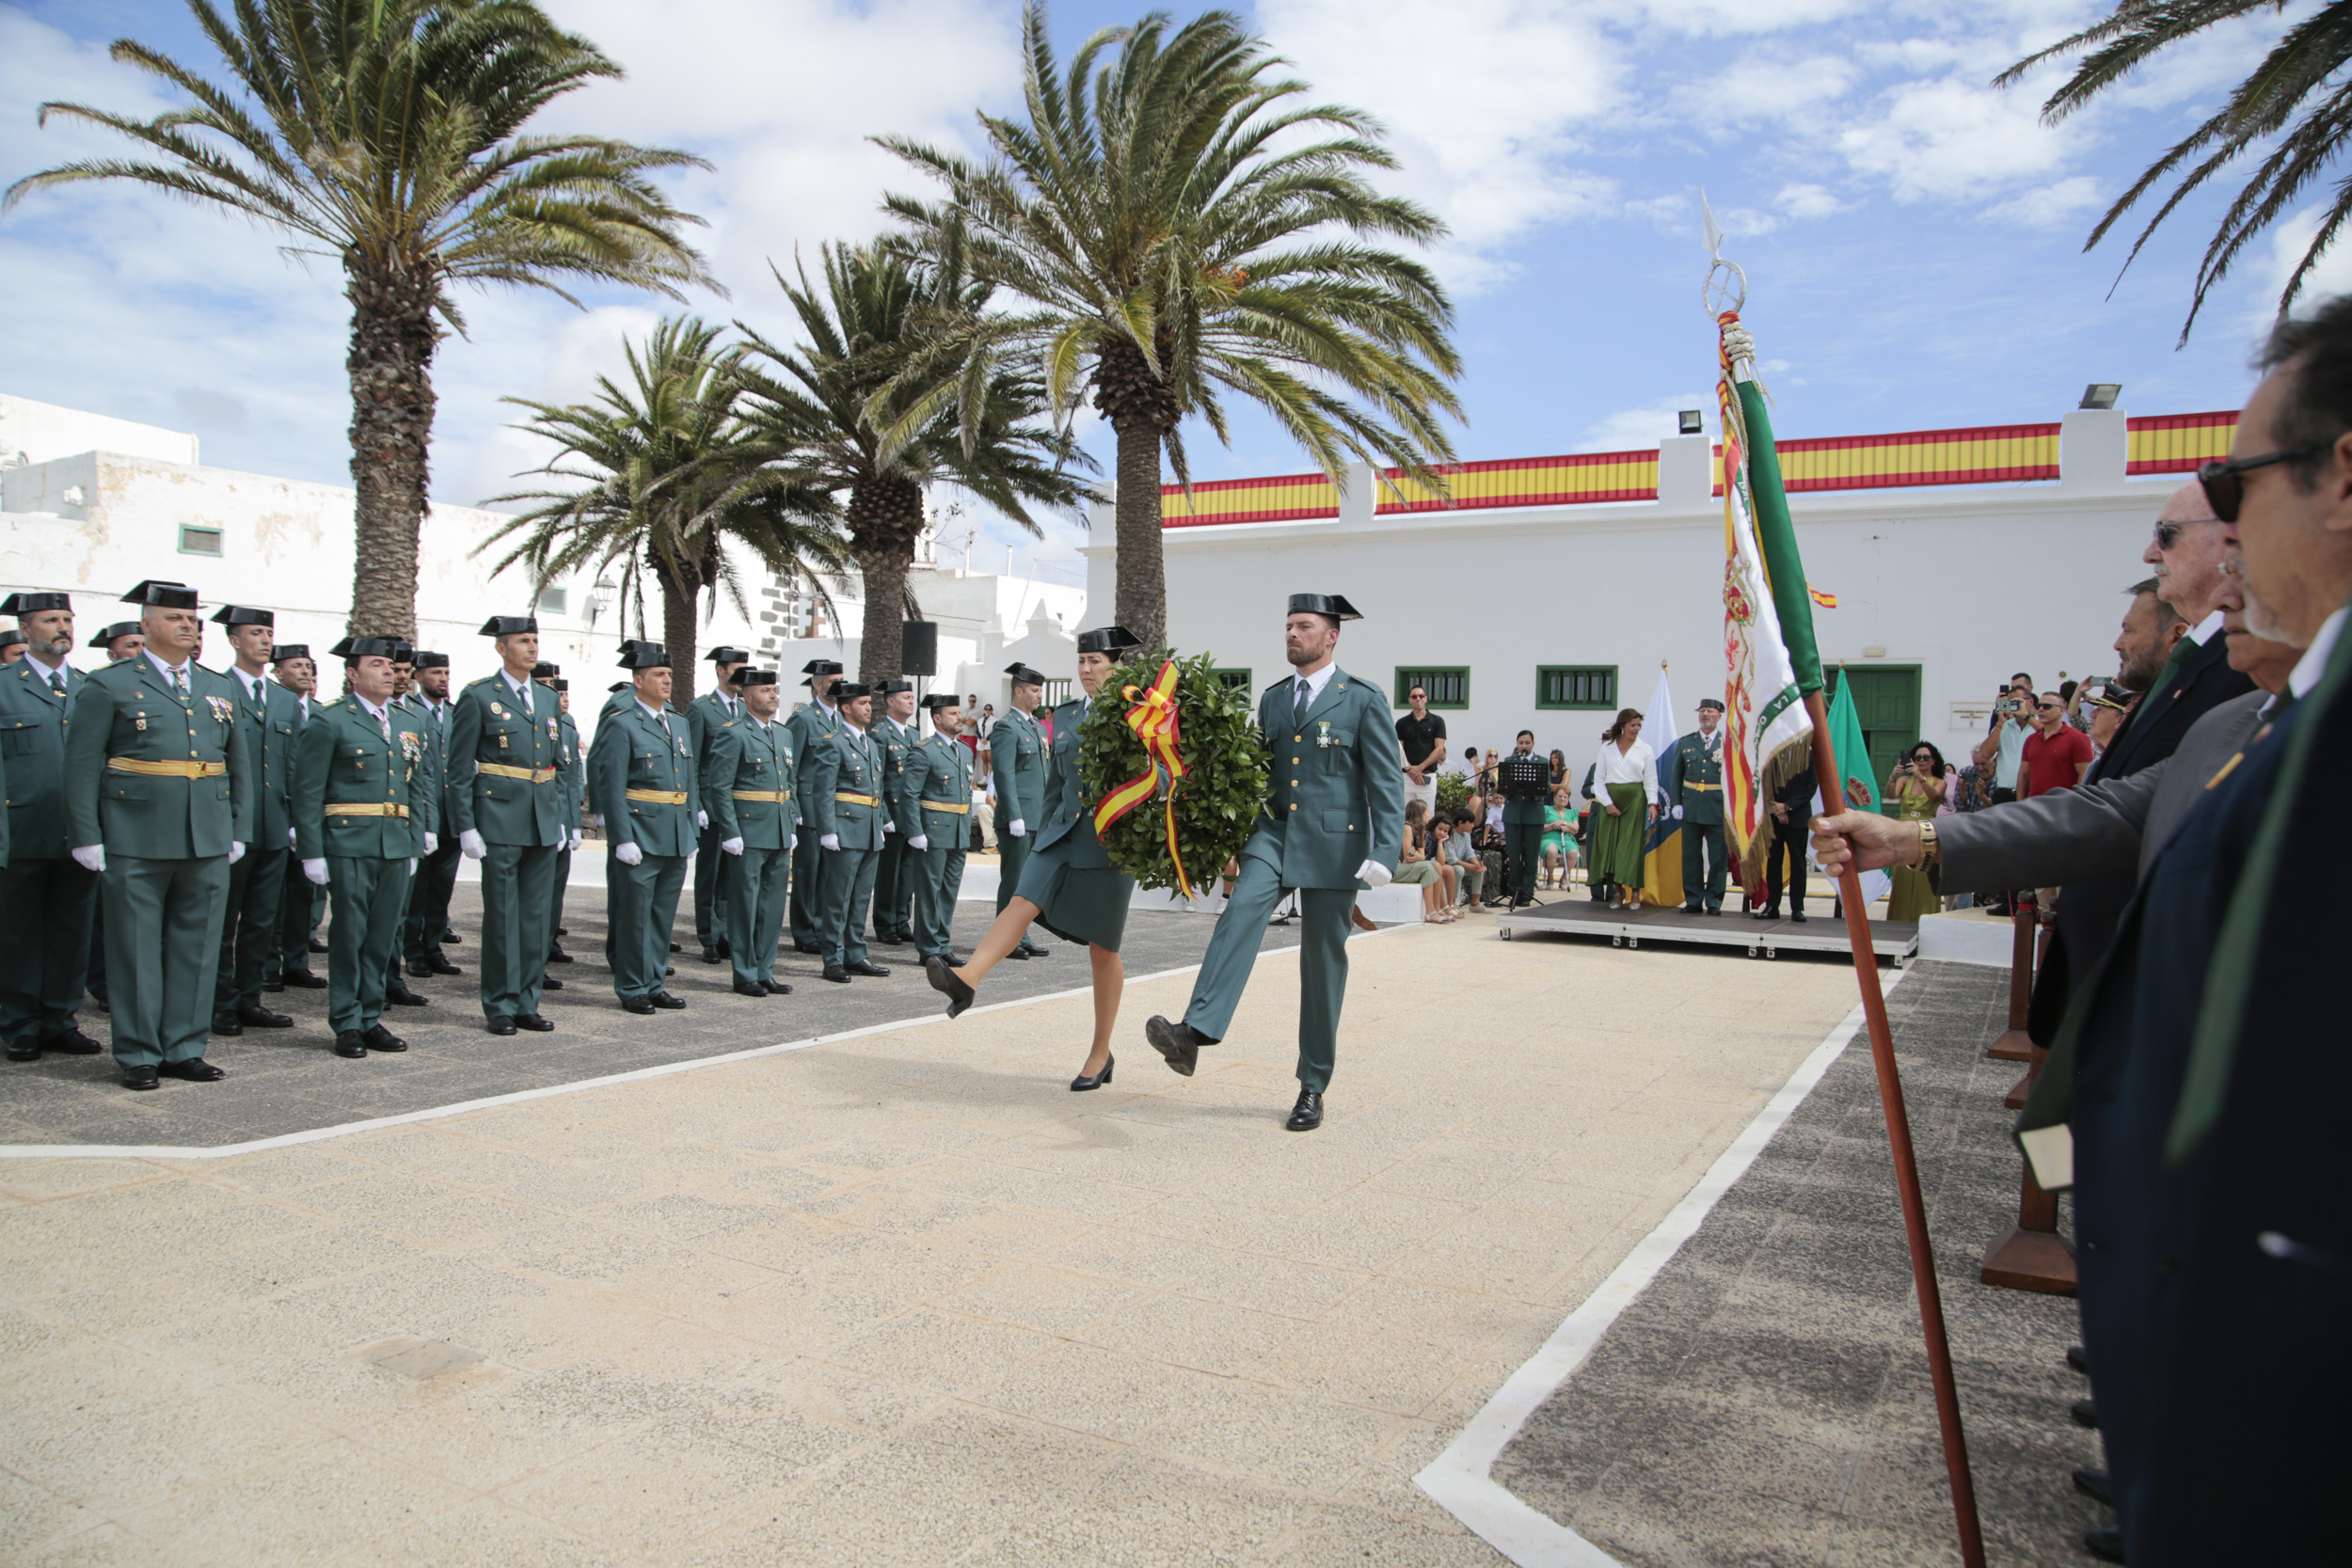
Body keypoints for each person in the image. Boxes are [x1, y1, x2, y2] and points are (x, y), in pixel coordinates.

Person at [1140, 596, 1404, 1132]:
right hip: (1275, 833)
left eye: (1304, 626)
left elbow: (1386, 780)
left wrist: (1384, 851)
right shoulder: (1274, 699)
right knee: (1239, 915)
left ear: (1331, 636)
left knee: (1322, 965)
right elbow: (1257, 772)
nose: (1292, 634)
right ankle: (1195, 1032)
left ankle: (1312, 1085)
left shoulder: (1363, 699)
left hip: (1335, 847)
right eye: (1288, 625)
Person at [928, 627, 1145, 1085]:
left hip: (1111, 841)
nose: (1086, 670)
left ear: (1117, 665)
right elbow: (1056, 782)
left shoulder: (1139, 712)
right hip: (1061, 831)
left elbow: (1158, 775)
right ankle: (967, 978)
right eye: (1081, 660)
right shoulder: (1064, 716)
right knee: (1022, 900)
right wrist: (1043, 827)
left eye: (1095, 662)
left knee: (1103, 950)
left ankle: (1100, 1052)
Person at [63, 580, 249, 1091]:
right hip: (135, 834)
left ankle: (185, 1048)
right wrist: (86, 834)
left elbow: (239, 764)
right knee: (136, 949)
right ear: (146, 627)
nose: (187, 625)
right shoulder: (111, 684)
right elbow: (81, 765)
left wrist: (239, 826)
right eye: (174, 618)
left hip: (206, 835)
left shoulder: (218, 686)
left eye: (192, 619)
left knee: (198, 946)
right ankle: (139, 1052)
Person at [294, 637, 436, 1058]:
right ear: (353, 675)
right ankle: (346, 1021)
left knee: (382, 936)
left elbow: (416, 785)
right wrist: (311, 850)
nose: (389, 671)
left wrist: (417, 837)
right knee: (349, 933)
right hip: (348, 840)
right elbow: (307, 790)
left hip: (395, 841)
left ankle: (371, 1017)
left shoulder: (410, 721)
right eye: (377, 665)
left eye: (391, 666)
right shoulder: (331, 720)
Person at [447, 615, 568, 1037]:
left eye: (535, 640)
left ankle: (526, 1000)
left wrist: (561, 819)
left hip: (541, 819)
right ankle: (499, 1003)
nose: (531, 648)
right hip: (498, 819)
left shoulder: (547, 699)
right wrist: (466, 825)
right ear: (502, 648)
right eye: (522, 641)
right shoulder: (479, 696)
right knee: (502, 916)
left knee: (536, 919)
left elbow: (556, 764)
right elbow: (459, 767)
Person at [0, 591, 103, 1064]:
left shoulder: (89, 688)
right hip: (20, 832)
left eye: (67, 618)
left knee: (71, 929)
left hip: (78, 834)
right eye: (49, 620)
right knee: (18, 933)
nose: (62, 627)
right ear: (25, 631)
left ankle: (61, 1019)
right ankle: (19, 1023)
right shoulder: (4, 685)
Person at [205, 605, 302, 1041]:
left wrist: (297, 820)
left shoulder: (285, 698)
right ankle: (219, 1003)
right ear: (234, 640)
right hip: (231, 826)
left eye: (268, 633)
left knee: (262, 920)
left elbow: (297, 764)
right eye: (255, 633)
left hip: (275, 825)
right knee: (223, 921)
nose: (265, 641)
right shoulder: (217, 689)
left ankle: (249, 997)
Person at [590, 641, 700, 1013]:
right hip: (641, 832)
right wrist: (621, 838)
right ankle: (632, 986)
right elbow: (612, 784)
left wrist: (691, 827)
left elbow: (689, 781)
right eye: (659, 675)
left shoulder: (679, 723)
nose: (667, 680)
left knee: (661, 916)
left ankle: (655, 982)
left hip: (674, 833)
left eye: (669, 674)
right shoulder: (623, 724)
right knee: (635, 916)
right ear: (638, 681)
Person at [703, 669, 795, 998]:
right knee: (744, 905)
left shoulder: (783, 734)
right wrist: (730, 830)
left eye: (774, 689)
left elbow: (790, 782)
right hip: (749, 830)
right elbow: (720, 786)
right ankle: (744, 973)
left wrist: (793, 818)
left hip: (780, 829)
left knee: (772, 907)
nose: (773, 695)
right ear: (747, 697)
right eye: (765, 690)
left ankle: (765, 970)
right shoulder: (734, 733)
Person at [806, 681, 890, 985]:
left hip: (868, 829)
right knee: (838, 898)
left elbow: (876, 788)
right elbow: (823, 790)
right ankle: (833, 958)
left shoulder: (871, 743)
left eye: (869, 702)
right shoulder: (834, 741)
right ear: (845, 707)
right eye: (862, 703)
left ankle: (856, 953)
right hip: (845, 828)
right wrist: (828, 830)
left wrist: (879, 822)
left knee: (859, 898)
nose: (869, 708)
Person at [261, 644, 328, 994]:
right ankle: (269, 966)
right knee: (272, 898)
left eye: (307, 666)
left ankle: (297, 961)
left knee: (304, 893)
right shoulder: (270, 706)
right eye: (296, 666)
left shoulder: (320, 712)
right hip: (276, 814)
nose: (304, 672)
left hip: (310, 819)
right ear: (278, 672)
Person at [899, 694, 975, 970]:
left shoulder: (965, 751)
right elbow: (909, 793)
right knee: (929, 891)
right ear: (938, 718)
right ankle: (928, 948)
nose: (959, 718)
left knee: (949, 891)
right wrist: (915, 831)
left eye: (959, 713)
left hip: (958, 830)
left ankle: (943, 945)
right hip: (932, 831)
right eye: (953, 713)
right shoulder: (924, 750)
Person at [403, 651, 463, 976]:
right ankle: (412, 949)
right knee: (417, 890)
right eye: (436, 673)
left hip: (451, 816)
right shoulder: (408, 712)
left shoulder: (455, 714)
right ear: (418, 676)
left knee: (442, 889)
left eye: (446, 673)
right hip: (423, 815)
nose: (443, 679)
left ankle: (433, 946)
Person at [688, 645, 749, 964]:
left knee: (732, 874)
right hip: (712, 804)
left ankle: (726, 931)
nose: (741, 677)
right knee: (710, 873)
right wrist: (696, 803)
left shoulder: (745, 709)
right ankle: (709, 935)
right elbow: (693, 760)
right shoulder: (701, 709)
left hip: (740, 807)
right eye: (736, 670)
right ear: (720, 670)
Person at [989, 663, 1053, 961]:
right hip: (1018, 819)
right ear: (1019, 690)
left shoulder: (1037, 727)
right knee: (1013, 881)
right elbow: (1004, 774)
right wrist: (1013, 814)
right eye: (1035, 690)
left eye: (1040, 689)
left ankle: (1021, 935)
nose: (1039, 695)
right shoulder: (1006, 726)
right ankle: (1006, 939)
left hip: (1037, 816)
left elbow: (1046, 774)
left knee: (1029, 884)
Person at [785, 658, 845, 953]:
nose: (837, 684)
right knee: (807, 874)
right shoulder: (803, 719)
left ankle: (823, 927)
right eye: (831, 680)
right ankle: (805, 931)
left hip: (836, 809)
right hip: (809, 809)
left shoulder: (844, 718)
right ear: (816, 684)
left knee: (829, 875)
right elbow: (790, 768)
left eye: (840, 679)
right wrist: (793, 807)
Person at [1590, 707, 1661, 911]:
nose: (1636, 729)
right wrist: (1608, 804)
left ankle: (1635, 892)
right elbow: (1599, 779)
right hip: (1610, 800)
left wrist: (1652, 803)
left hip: (1635, 800)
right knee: (1612, 848)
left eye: (1639, 725)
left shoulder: (1645, 749)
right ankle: (1618, 892)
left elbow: (1650, 779)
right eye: (1633, 725)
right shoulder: (1607, 748)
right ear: (1622, 726)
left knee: (1630, 848)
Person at [1663, 696, 1728, 914]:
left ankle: (1714, 901)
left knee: (1718, 857)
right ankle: (1693, 899)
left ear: (1720, 715)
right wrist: (1676, 803)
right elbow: (1676, 777)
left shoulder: (1728, 743)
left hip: (1718, 807)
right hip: (1691, 807)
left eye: (1710, 711)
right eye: (1702, 711)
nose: (1705, 715)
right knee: (1691, 856)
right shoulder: (1686, 742)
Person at [870, 679, 920, 946]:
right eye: (905, 697)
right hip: (893, 814)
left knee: (908, 873)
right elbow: (877, 780)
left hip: (912, 816)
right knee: (889, 873)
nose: (911, 701)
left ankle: (902, 920)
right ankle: (885, 922)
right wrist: (884, 816)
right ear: (890, 701)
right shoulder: (880, 734)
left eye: (912, 697)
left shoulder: (914, 735)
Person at [545, 675, 583, 972]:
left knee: (555, 890)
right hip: (538, 819)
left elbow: (570, 780)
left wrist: (572, 824)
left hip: (561, 819)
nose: (561, 696)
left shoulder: (567, 725)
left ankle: (548, 942)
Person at [1883, 741, 1947, 922]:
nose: (1922, 761)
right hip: (1904, 833)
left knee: (1925, 881)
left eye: (1926, 758)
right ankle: (1899, 919)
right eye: (1918, 758)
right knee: (1903, 879)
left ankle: (1926, 919)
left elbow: (1935, 795)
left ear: (1933, 761)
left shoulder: (1940, 782)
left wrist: (1920, 777)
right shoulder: (1905, 780)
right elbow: (1891, 795)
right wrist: (1892, 778)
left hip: (1928, 833)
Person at [1494, 730, 1549, 906]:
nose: (1524, 746)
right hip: (1513, 813)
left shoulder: (1542, 762)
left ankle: (1527, 893)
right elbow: (1503, 787)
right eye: (1521, 743)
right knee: (1514, 855)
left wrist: (1535, 791)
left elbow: (1546, 788)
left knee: (1531, 856)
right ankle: (1515, 891)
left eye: (1527, 742)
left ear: (1533, 744)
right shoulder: (1510, 762)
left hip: (1533, 814)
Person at [2018, 692, 2095, 799]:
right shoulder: (2031, 740)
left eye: (2047, 706)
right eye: (2038, 706)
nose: (2041, 709)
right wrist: (2020, 804)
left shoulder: (2078, 738)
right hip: (2034, 807)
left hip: (2063, 807)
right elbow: (2024, 775)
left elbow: (2085, 775)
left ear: (2062, 710)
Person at [1391, 799, 1453, 923]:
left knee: (1437, 866)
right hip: (1397, 867)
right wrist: (1419, 856)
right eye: (1427, 812)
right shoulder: (1407, 827)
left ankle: (1437, 908)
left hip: (1408, 866)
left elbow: (1421, 856)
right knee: (1427, 867)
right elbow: (1409, 857)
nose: (1429, 815)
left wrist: (1420, 856)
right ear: (1419, 813)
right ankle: (1430, 912)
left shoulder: (1420, 829)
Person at [1395, 683, 1446, 817]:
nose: (1418, 698)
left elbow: (1439, 749)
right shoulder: (1401, 723)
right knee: (1406, 816)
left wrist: (1420, 769)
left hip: (1427, 777)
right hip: (1407, 777)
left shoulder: (1437, 721)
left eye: (1421, 695)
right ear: (1409, 700)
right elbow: (1398, 749)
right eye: (1414, 696)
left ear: (1426, 698)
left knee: (1426, 817)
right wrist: (1411, 771)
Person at [1439, 811, 1486, 909]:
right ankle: (1453, 902)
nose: (1473, 826)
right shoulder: (1449, 835)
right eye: (1471, 823)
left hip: (1458, 864)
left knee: (1479, 871)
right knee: (1459, 870)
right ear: (1461, 823)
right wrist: (1473, 866)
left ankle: (1475, 903)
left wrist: (1477, 865)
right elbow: (1452, 860)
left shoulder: (1466, 835)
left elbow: (1470, 853)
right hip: (1447, 865)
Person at [1540, 782, 1580, 890]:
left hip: (1566, 838)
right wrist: (1553, 825)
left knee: (1573, 852)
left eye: (1565, 797)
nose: (1562, 799)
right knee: (1551, 851)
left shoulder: (1572, 813)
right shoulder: (1546, 809)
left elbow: (1575, 829)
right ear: (1554, 797)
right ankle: (1550, 877)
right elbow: (1541, 827)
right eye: (1560, 796)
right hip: (1549, 837)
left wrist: (1564, 824)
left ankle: (1564, 878)